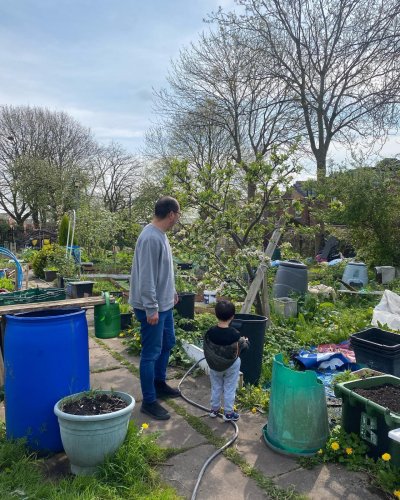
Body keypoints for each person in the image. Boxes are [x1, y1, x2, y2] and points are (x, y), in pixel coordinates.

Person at [129, 196, 181, 420]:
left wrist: (172, 291)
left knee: (168, 342)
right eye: (178, 215)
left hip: (164, 303)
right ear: (171, 214)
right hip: (153, 308)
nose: (178, 219)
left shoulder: (161, 235)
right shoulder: (150, 238)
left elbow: (163, 271)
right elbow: (147, 278)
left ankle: (159, 383)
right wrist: (151, 308)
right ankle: (149, 401)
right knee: (150, 354)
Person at [203, 300, 249, 422]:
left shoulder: (210, 332)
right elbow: (243, 347)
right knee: (229, 388)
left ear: (216, 314)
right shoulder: (235, 334)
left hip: (214, 365)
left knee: (216, 386)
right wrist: (245, 341)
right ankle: (228, 413)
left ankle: (214, 409)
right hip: (231, 366)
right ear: (232, 316)